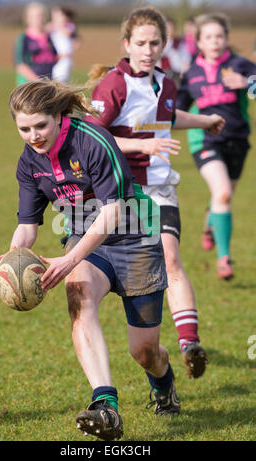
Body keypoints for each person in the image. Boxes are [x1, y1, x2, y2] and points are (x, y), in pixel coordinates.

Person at [0, 79, 181, 441]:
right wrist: (13, 256)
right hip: (85, 240)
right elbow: (27, 225)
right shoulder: (29, 162)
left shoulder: (91, 139)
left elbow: (112, 213)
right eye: (24, 128)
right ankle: (105, 406)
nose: (33, 135)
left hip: (136, 238)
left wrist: (68, 259)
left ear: (58, 117)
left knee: (144, 352)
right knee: (79, 295)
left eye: (40, 126)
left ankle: (163, 383)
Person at [85, 6, 225, 381]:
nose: (148, 50)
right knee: (125, 277)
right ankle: (147, 352)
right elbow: (94, 137)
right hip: (122, 193)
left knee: (171, 255)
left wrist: (204, 120)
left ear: (164, 44)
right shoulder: (113, 85)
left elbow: (167, 117)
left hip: (161, 188)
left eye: (155, 43)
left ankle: (189, 343)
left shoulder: (166, 81)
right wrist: (139, 148)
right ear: (127, 44)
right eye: (141, 43)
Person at [177, 13, 256, 280]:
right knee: (222, 194)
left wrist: (248, 84)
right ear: (198, 41)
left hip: (238, 141)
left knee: (224, 195)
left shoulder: (240, 64)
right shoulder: (192, 73)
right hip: (206, 141)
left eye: (220, 36)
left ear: (226, 38)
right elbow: (175, 108)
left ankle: (210, 223)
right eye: (208, 37)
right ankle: (225, 259)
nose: (215, 41)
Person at [14, 2, 57, 86]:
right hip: (28, 86)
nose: (37, 19)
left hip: (48, 85)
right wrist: (38, 81)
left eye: (40, 16)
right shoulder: (24, 38)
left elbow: (55, 57)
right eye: (33, 17)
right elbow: (20, 65)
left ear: (45, 17)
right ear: (27, 19)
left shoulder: (49, 38)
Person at [47, 6, 80, 84]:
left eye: (60, 16)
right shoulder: (51, 27)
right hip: (55, 59)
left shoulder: (69, 26)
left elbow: (68, 33)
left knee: (62, 81)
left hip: (65, 59)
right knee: (55, 80)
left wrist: (57, 25)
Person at [157, 17, 191, 86]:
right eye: (166, 28)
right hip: (160, 73)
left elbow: (186, 59)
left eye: (171, 28)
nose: (169, 30)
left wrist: (184, 72)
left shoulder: (179, 43)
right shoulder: (157, 42)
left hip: (176, 74)